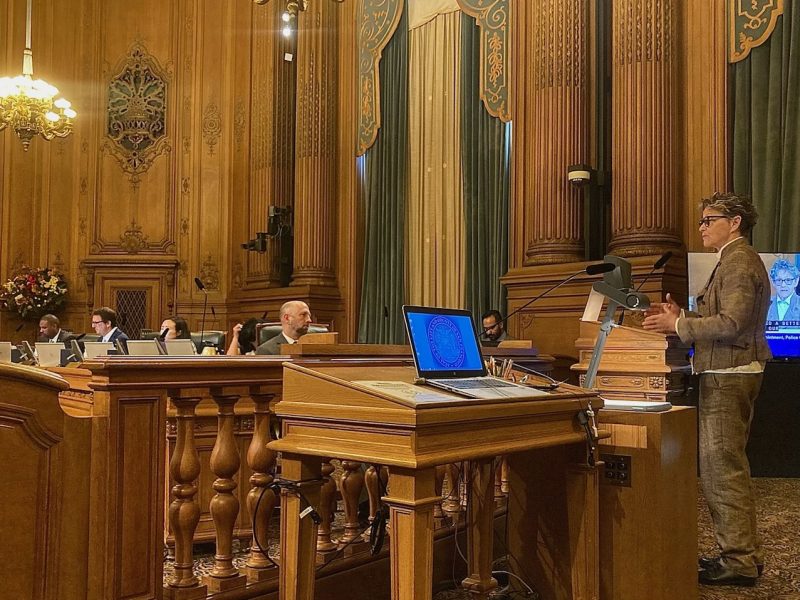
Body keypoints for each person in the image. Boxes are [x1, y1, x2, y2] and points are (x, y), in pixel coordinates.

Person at [642, 192, 771, 587]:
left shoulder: (738, 261)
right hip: (728, 369)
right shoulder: (732, 260)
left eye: (708, 220)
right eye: (700, 221)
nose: (701, 227)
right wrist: (682, 316)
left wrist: (680, 327)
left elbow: (732, 323)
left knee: (722, 469)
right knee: (723, 466)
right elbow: (725, 319)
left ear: (734, 222)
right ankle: (741, 554)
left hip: (730, 373)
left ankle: (740, 561)